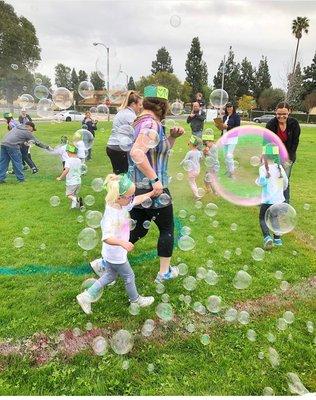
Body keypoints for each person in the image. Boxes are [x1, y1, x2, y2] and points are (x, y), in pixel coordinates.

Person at [129, 85, 185, 283]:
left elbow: (157, 151)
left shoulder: (139, 122)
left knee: (137, 229)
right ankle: (164, 273)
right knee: (167, 228)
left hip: (137, 186)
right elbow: (137, 153)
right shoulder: (152, 124)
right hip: (154, 187)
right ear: (162, 105)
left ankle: (105, 262)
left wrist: (172, 137)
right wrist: (155, 180)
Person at [77, 173, 155, 314]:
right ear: (119, 197)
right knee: (129, 276)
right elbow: (106, 237)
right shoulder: (111, 214)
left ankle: (86, 296)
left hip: (112, 253)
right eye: (129, 196)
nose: (132, 198)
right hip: (115, 254)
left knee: (110, 276)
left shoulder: (120, 204)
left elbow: (136, 200)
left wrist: (152, 193)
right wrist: (123, 243)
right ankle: (135, 300)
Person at [265, 102, 300, 203]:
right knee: (271, 179)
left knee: (284, 180)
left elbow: (295, 142)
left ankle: (285, 202)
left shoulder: (294, 124)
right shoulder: (271, 124)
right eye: (279, 114)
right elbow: (267, 142)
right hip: (273, 155)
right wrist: (271, 160)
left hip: (288, 156)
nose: (281, 116)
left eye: (284, 113)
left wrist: (288, 158)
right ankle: (268, 201)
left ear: (289, 112)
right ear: (275, 112)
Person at [256, 144, 288, 250]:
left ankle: (267, 237)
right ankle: (278, 240)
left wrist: (257, 181)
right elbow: (286, 183)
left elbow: (262, 182)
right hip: (278, 199)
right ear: (275, 156)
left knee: (262, 218)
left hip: (267, 200)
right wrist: (281, 191)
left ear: (264, 156)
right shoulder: (280, 168)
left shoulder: (262, 168)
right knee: (274, 218)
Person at [106, 90, 143, 174]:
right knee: (125, 177)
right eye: (140, 105)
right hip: (120, 149)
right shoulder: (130, 115)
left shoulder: (121, 112)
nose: (140, 107)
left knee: (119, 176)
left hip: (112, 147)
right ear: (133, 104)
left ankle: (113, 186)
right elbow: (137, 133)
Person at [215, 102, 240, 178]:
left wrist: (227, 127)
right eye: (227, 106)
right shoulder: (225, 117)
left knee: (229, 156)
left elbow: (237, 128)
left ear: (233, 107)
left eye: (230, 106)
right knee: (225, 156)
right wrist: (219, 126)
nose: (229, 108)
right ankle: (228, 171)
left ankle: (232, 173)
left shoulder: (236, 116)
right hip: (225, 137)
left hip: (232, 138)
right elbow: (223, 128)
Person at [56, 144, 82, 209]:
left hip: (71, 182)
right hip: (78, 181)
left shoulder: (68, 161)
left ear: (69, 153)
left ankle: (77, 200)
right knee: (74, 194)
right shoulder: (79, 160)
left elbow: (66, 170)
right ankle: (73, 206)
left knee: (69, 195)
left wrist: (60, 177)